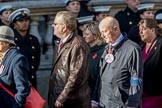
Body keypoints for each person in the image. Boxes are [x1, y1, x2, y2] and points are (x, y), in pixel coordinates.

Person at [48, 11, 91, 108]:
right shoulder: (59, 43)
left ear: (64, 27)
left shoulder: (78, 44)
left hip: (72, 101)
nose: (52, 26)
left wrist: (61, 98)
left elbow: (76, 76)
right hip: (58, 97)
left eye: (55, 24)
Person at [98, 16, 143, 108]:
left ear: (115, 29)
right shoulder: (107, 48)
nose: (102, 36)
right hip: (105, 103)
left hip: (122, 103)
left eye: (104, 32)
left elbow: (136, 79)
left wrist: (132, 104)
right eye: (101, 33)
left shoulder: (132, 49)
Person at [8, 8, 41, 89]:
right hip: (15, 84)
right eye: (21, 21)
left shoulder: (34, 40)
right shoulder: (10, 42)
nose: (24, 23)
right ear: (15, 25)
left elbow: (36, 62)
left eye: (26, 20)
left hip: (31, 82)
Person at [0, 25, 30, 108]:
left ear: (5, 43)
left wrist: (16, 106)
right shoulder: (2, 56)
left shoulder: (17, 59)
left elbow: (22, 89)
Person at [138, 18, 162, 108]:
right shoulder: (141, 45)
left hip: (156, 93)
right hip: (142, 92)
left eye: (143, 29)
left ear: (152, 30)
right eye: (139, 30)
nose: (140, 32)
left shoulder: (160, 44)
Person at [82, 21, 106, 108]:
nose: (84, 36)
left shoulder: (103, 52)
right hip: (86, 95)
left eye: (87, 34)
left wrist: (95, 99)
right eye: (84, 34)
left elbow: (100, 78)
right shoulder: (87, 51)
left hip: (98, 97)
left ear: (95, 35)